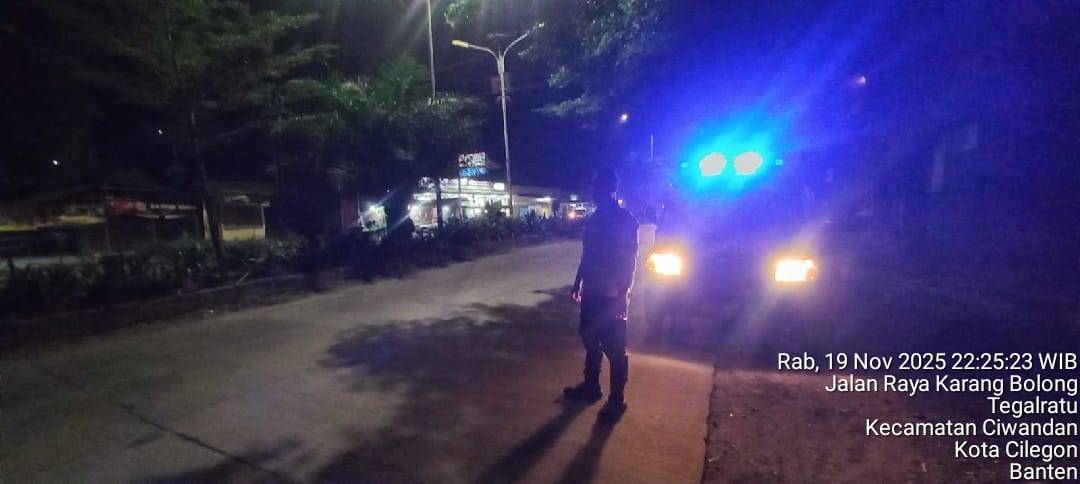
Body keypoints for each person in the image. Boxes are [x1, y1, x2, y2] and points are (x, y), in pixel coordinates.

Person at [564, 168, 639, 422]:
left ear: (610, 190)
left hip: (611, 294)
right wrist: (578, 282)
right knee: (590, 338)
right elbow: (587, 254)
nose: (594, 192)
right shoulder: (595, 219)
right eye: (593, 188)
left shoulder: (625, 220)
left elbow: (629, 260)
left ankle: (617, 400)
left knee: (615, 348)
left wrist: (623, 294)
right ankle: (591, 386)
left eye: (598, 188)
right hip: (592, 291)